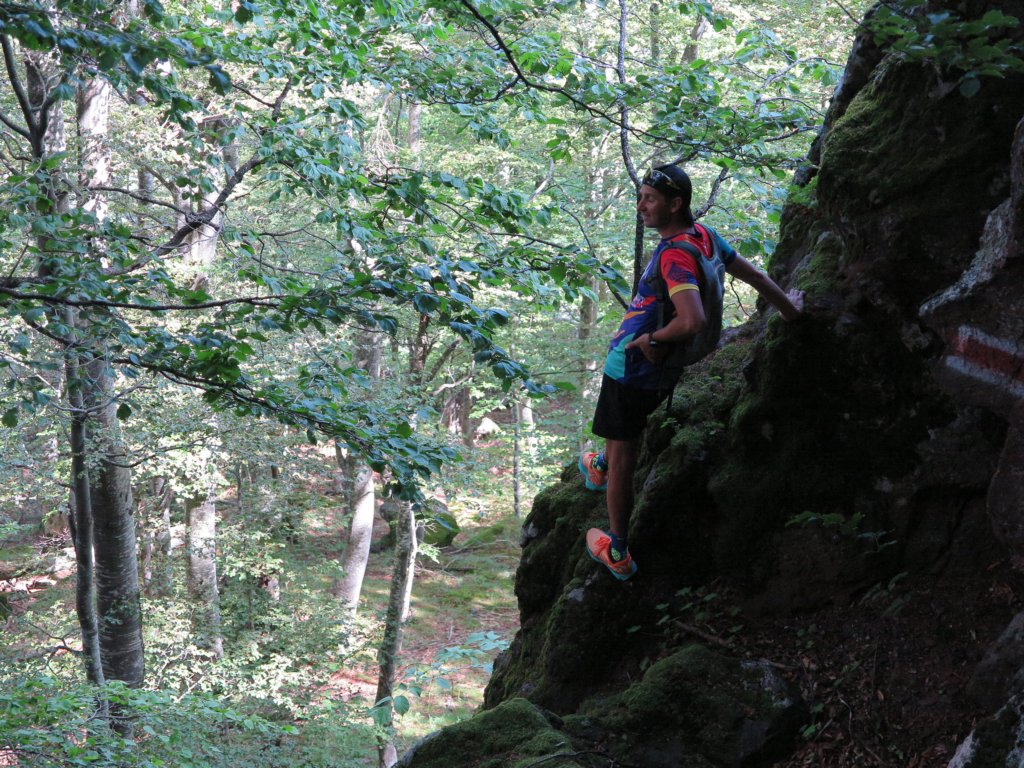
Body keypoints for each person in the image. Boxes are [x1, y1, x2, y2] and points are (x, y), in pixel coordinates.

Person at [580, 164, 804, 580]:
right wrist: (792, 313)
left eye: (650, 199)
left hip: (633, 366)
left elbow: (692, 320)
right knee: (622, 430)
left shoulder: (675, 254)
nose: (640, 205)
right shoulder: (704, 237)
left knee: (624, 454)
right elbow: (754, 275)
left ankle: (618, 551)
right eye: (641, 196)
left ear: (676, 204)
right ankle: (601, 461)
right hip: (663, 367)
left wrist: (651, 339)